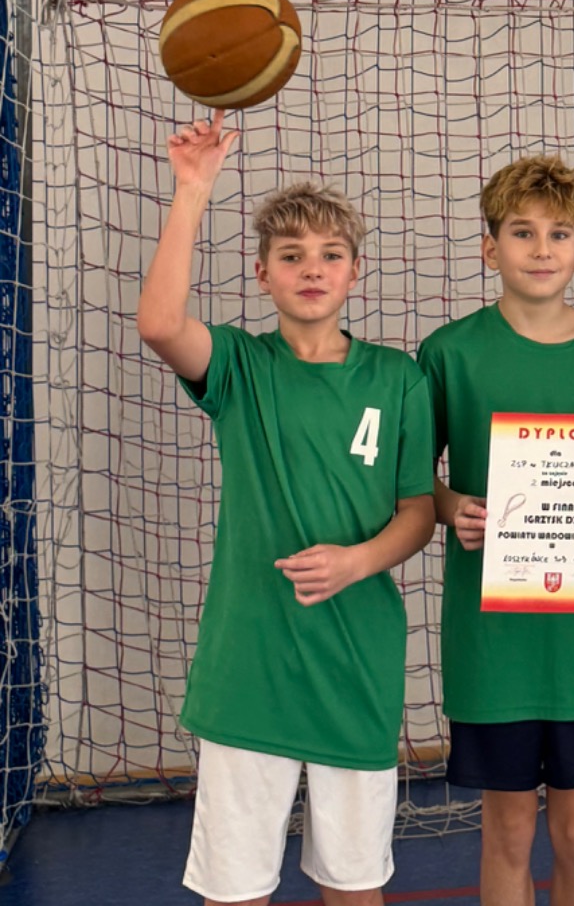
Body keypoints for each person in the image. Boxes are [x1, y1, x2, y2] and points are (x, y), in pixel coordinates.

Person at [136, 110, 436, 906]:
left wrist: (357, 561)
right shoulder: (240, 365)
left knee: (355, 887)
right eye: (291, 255)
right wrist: (193, 188)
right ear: (262, 273)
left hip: (355, 665)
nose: (312, 268)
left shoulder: (398, 379)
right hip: (250, 670)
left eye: (330, 254)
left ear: (355, 272)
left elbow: (417, 509)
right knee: (235, 893)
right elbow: (160, 323)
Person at [418, 156, 574, 906]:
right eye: (522, 233)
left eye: (559, 234)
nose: (541, 249)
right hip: (493, 641)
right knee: (509, 832)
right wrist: (454, 507)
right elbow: (415, 483)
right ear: (491, 248)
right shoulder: (450, 352)